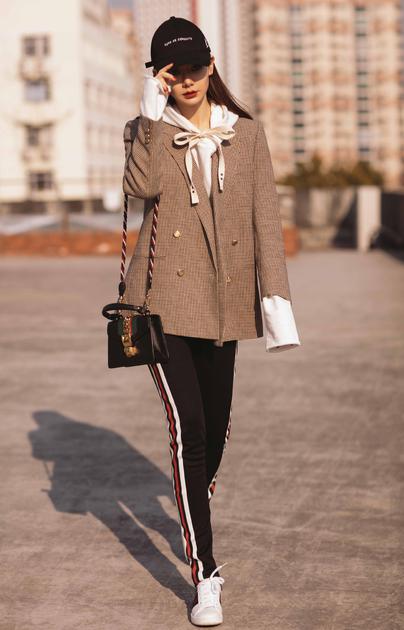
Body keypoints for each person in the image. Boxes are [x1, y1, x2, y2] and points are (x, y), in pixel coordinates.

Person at [121, 16, 301, 627]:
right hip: (162, 304)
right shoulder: (145, 130)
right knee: (190, 429)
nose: (188, 80)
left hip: (225, 303)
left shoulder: (245, 135)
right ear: (160, 78)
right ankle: (206, 573)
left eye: (196, 67)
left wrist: (276, 302)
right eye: (174, 73)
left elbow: (266, 222)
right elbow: (140, 189)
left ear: (212, 65)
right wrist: (151, 117)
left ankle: (192, 500)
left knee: (216, 431)